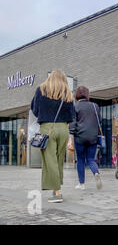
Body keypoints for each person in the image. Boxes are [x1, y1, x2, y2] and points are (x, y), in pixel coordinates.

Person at [31, 70, 75, 203]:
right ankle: (56, 189)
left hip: (47, 128)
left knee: (50, 161)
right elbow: (72, 115)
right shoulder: (67, 93)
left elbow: (34, 109)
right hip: (63, 129)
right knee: (58, 160)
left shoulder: (41, 89)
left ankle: (57, 193)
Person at [69, 86, 103, 190]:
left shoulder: (75, 106)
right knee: (91, 159)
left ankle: (82, 184)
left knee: (80, 160)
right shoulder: (95, 106)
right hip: (93, 137)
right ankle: (96, 172)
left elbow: (73, 123)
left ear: (76, 95)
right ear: (87, 94)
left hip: (80, 137)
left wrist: (71, 135)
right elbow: (99, 121)